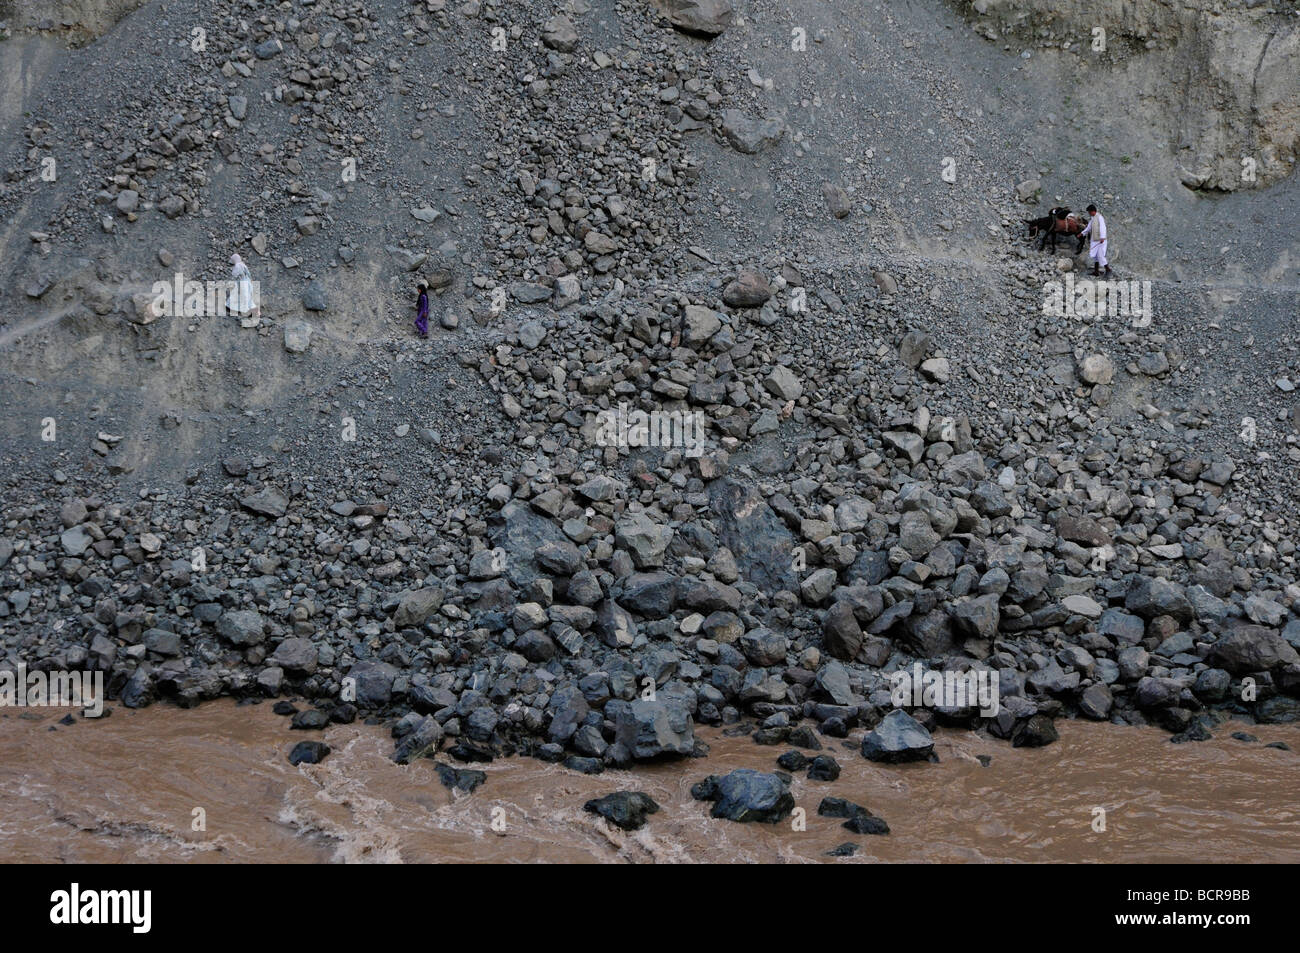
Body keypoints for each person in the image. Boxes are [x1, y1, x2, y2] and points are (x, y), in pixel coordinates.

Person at [1080, 204, 1110, 278]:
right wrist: (1082, 233)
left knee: (1100, 255)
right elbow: (1089, 228)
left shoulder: (1100, 217)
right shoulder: (1092, 218)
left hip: (1100, 240)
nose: (1089, 213)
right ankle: (1096, 271)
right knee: (1096, 256)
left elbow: (1103, 227)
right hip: (1095, 240)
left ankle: (1108, 270)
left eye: (1089, 212)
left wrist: (1102, 237)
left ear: (1092, 211)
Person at [226, 253, 259, 318]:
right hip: (247, 283)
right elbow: (249, 275)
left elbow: (234, 274)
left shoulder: (238, 265)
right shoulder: (243, 265)